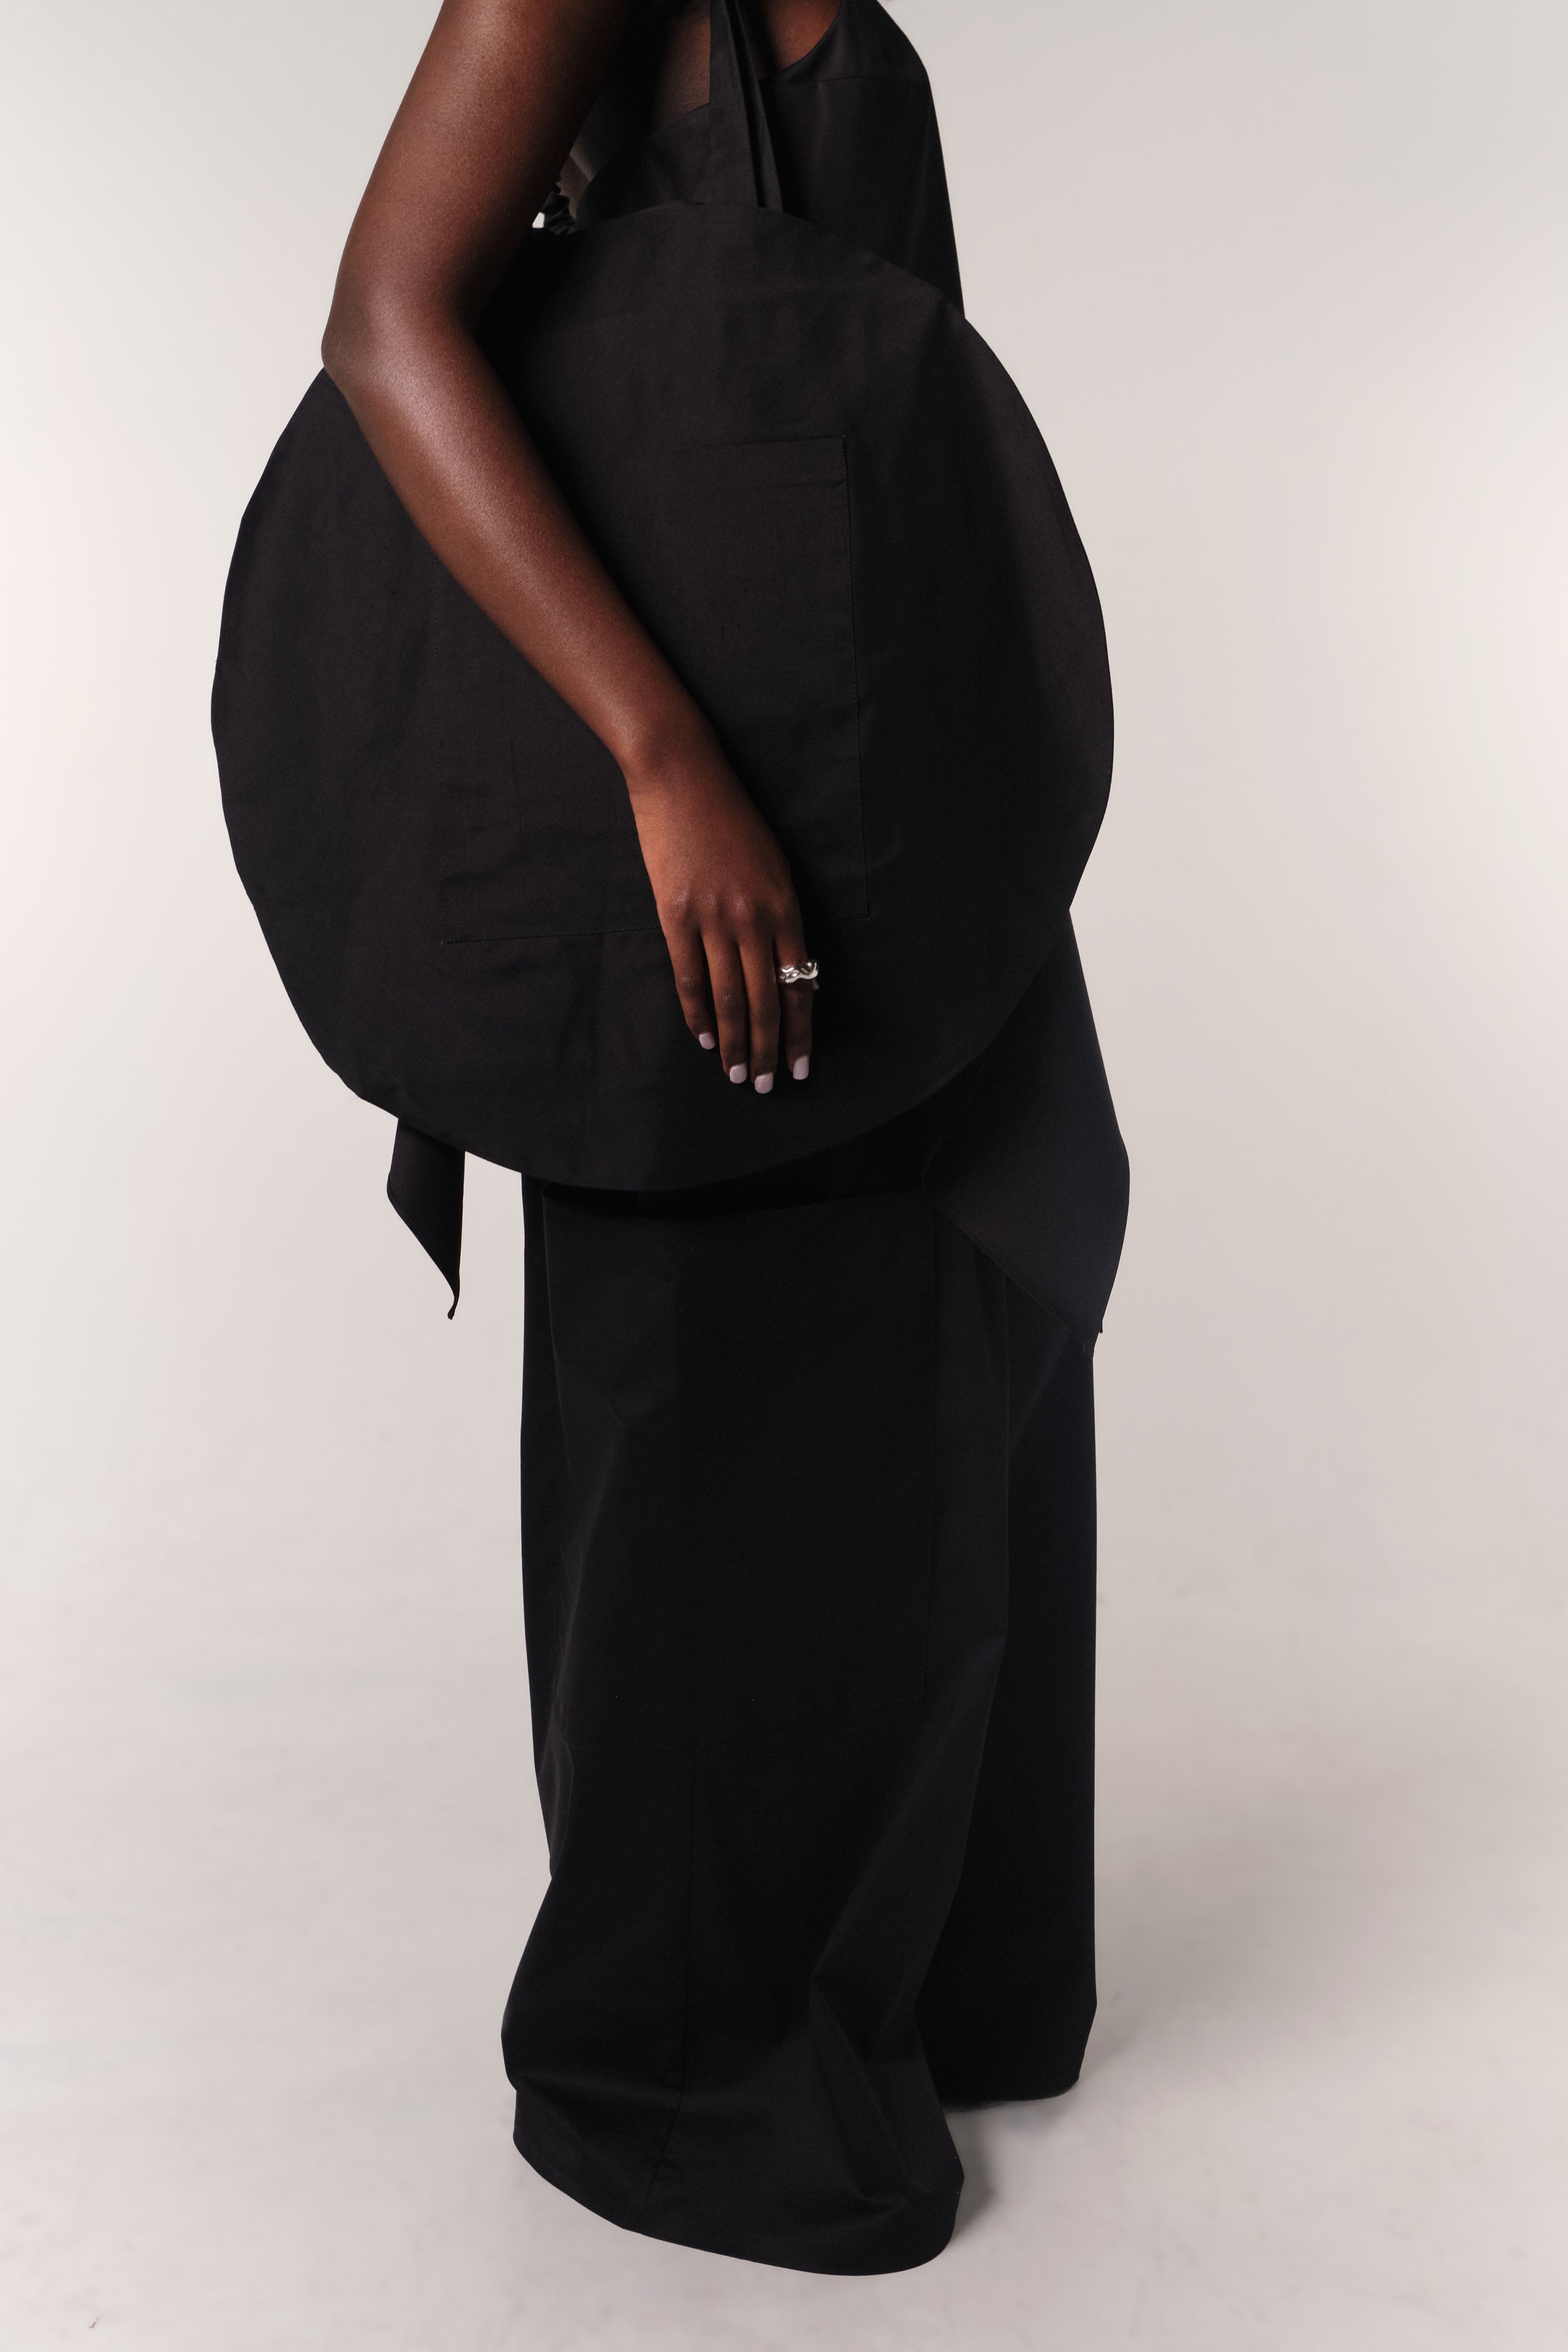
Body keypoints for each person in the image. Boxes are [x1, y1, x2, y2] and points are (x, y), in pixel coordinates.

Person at [320, 0, 1127, 2276]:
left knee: (963, 1344)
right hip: (723, 815)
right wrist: (663, 760)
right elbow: (389, 320)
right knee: (725, 1427)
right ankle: (686, 2075)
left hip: (892, 794)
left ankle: (935, 1972)